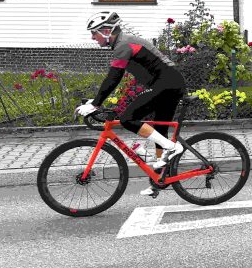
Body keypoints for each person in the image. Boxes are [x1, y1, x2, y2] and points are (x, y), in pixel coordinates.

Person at [75, 11, 187, 197]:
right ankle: (159, 180)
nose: (93, 38)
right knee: (160, 133)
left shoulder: (123, 44)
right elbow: (121, 79)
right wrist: (98, 102)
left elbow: (114, 77)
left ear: (106, 31)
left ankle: (173, 148)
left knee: (128, 119)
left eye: (94, 33)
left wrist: (95, 104)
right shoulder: (123, 43)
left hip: (167, 83)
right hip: (169, 83)